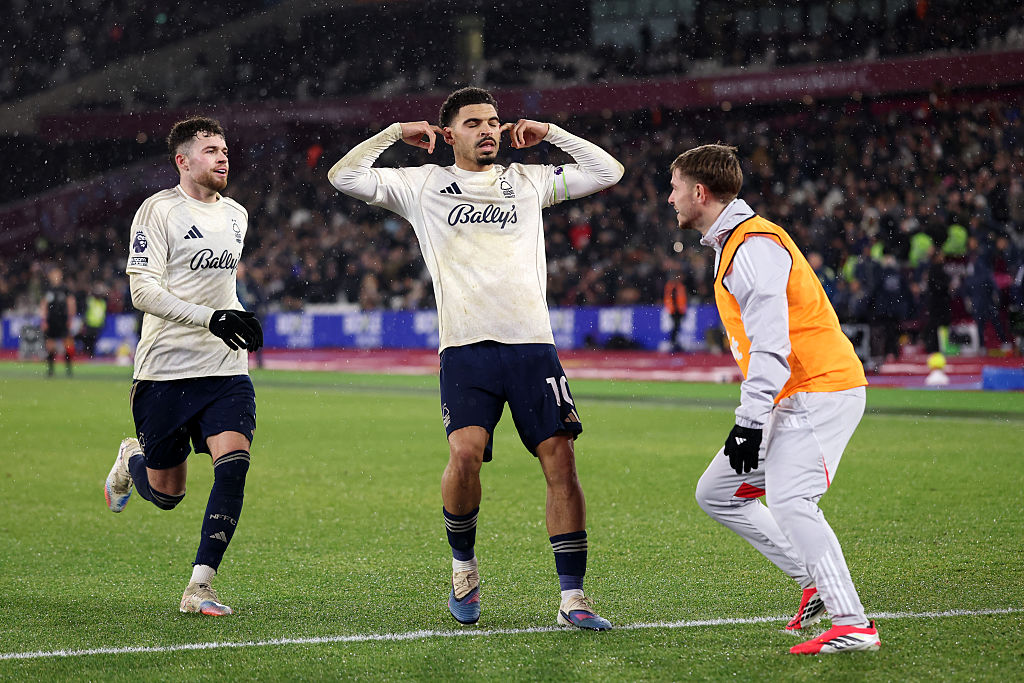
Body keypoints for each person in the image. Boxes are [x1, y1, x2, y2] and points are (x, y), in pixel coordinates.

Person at [328, 87, 624, 630]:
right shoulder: (421, 185)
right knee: (465, 455)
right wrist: (394, 134)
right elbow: (343, 176)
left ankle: (573, 598)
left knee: (560, 461)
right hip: (465, 347)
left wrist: (550, 133)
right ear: (448, 134)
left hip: (532, 344)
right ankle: (463, 569)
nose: (488, 130)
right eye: (473, 123)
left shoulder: (529, 180)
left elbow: (609, 172)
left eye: (493, 121)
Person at [667, 144, 880, 655]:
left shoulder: (751, 246)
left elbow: (771, 344)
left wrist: (749, 421)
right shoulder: (737, 242)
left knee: (790, 500)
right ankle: (813, 581)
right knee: (717, 492)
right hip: (796, 392)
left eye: (674, 188)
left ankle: (853, 623)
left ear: (700, 192)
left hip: (818, 388)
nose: (669, 198)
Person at [103, 116, 263, 616]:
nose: (222, 157)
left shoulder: (237, 215)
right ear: (183, 161)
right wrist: (210, 318)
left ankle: (200, 586)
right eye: (211, 150)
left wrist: (236, 314)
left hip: (224, 368)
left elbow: (219, 290)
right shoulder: (159, 211)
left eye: (225, 150)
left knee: (234, 466)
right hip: (165, 371)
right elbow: (142, 291)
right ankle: (131, 458)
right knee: (167, 495)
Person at [39, 266, 76, 376]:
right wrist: (43, 320)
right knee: (50, 345)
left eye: (57, 274)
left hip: (63, 320)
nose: (55, 277)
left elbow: (71, 303)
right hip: (51, 320)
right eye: (53, 274)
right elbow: (44, 305)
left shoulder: (65, 289)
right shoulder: (48, 289)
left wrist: (70, 318)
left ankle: (69, 369)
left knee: (68, 345)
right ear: (50, 276)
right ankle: (51, 370)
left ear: (61, 276)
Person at [663, 266, 689, 352]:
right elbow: (673, 299)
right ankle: (673, 342)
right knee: (676, 327)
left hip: (678, 310)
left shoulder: (677, 286)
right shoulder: (673, 286)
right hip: (675, 310)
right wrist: (675, 309)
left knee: (676, 327)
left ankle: (674, 342)